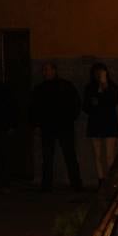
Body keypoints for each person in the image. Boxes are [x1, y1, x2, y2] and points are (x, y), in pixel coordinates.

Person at [30, 62, 83, 192]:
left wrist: (70, 118)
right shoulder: (40, 89)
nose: (46, 72)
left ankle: (76, 184)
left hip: (64, 125)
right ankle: (46, 185)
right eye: (44, 70)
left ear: (54, 70)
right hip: (48, 127)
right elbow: (34, 108)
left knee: (69, 155)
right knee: (47, 157)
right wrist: (37, 124)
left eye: (48, 70)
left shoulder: (65, 86)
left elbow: (75, 104)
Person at [82, 62, 118, 184]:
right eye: (97, 73)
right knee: (97, 155)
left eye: (102, 73)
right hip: (96, 123)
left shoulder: (112, 87)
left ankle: (111, 180)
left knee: (110, 155)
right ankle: (101, 180)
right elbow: (87, 106)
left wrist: (105, 87)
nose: (99, 75)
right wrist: (95, 100)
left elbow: (114, 101)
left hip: (109, 123)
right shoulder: (90, 88)